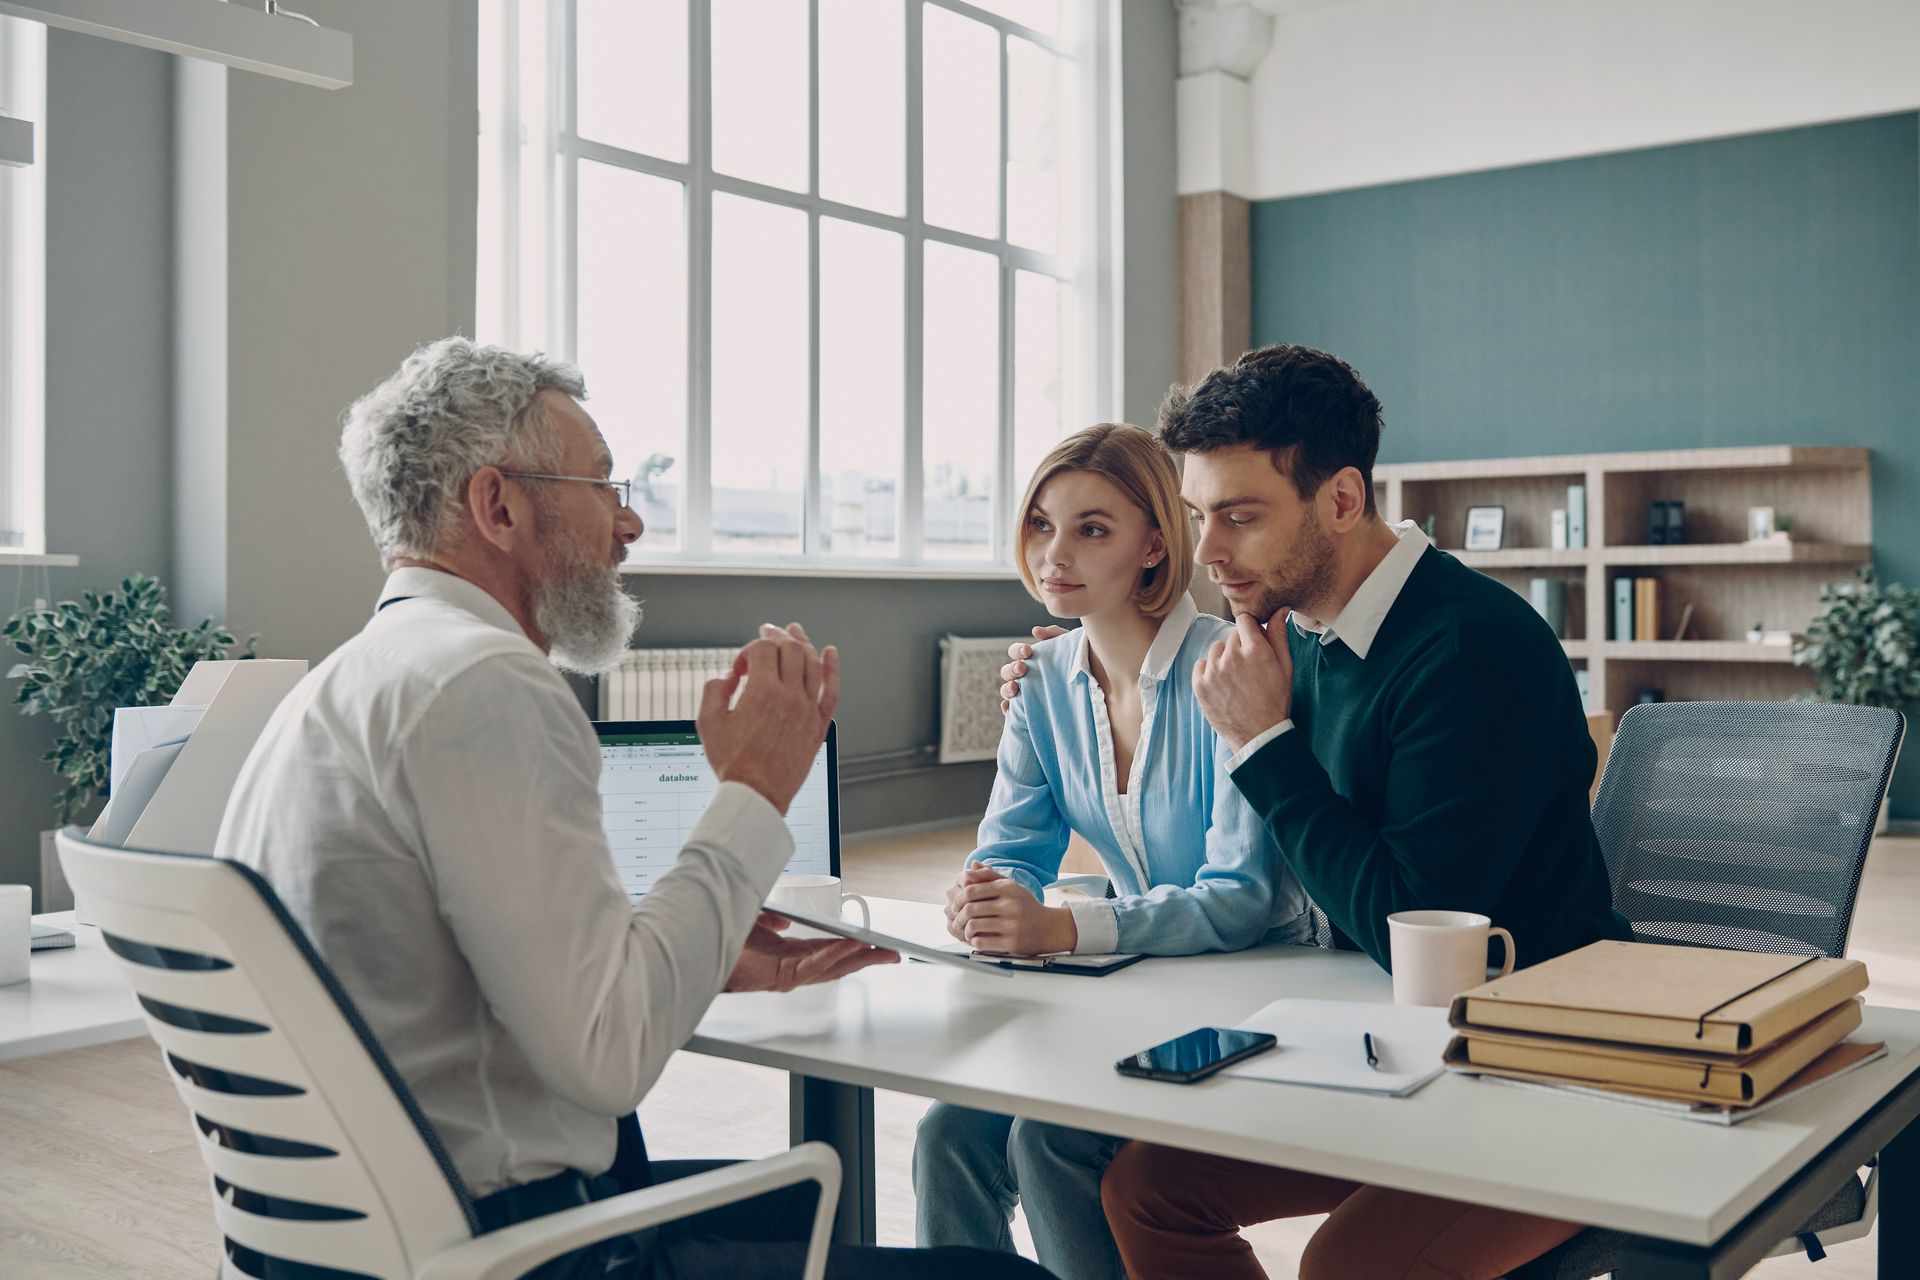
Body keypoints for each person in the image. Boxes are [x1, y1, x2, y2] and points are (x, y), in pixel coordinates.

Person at [215, 338, 1055, 1280]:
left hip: (354, 1240)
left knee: (784, 1196)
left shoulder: (348, 680)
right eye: (604, 488)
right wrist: (753, 786)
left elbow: (474, 984)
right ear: (498, 504)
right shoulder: (484, 683)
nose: (630, 526)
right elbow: (607, 1060)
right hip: (509, 1252)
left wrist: (707, 956)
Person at [1001, 345, 1631, 1280]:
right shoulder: (1297, 633)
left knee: (1345, 1268)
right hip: (1382, 1037)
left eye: (1241, 517)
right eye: (1199, 515)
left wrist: (1264, 745)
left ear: (1341, 500)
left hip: (1537, 1062)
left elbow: (1405, 926)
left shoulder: (1469, 650)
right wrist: (1066, 661)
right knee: (1144, 1194)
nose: (1207, 552)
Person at [915, 423, 1314, 1280]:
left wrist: (1059, 927)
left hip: (1254, 992)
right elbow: (1012, 847)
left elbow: (1241, 899)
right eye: (1041, 525)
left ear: (1154, 547)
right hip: (1135, 986)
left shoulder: (1233, 669)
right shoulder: (1041, 683)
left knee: (1044, 1141)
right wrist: (984, 896)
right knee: (947, 1133)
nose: (1055, 552)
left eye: (1092, 528)